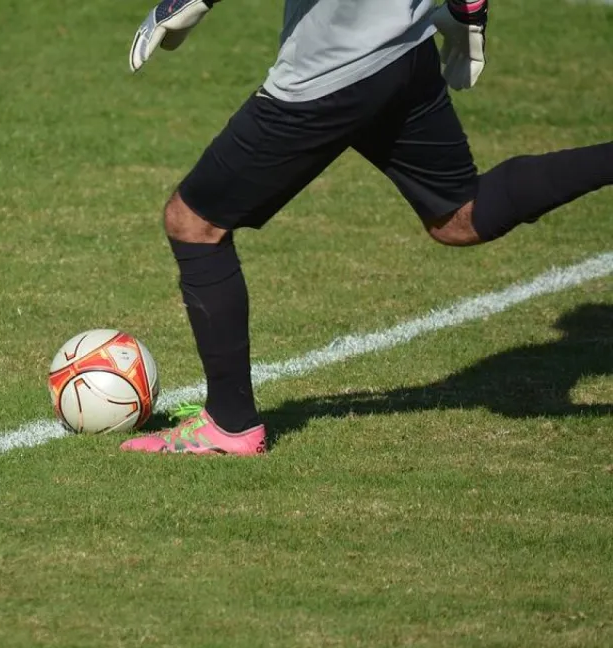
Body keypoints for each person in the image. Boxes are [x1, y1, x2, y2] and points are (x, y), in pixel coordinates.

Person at [119, 0, 613, 455]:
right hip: (402, 47)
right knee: (461, 216)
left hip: (331, 67)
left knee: (193, 221)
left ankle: (229, 424)